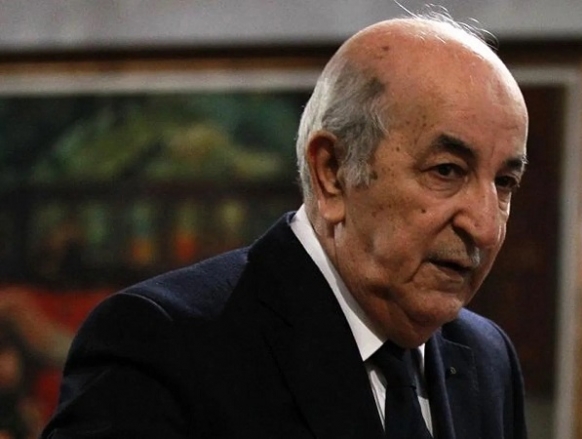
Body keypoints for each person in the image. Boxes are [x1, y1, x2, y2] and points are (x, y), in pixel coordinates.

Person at [41, 11, 530, 439]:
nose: (486, 228)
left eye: (505, 182)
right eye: (446, 171)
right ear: (332, 173)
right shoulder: (164, 345)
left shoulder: (487, 358)